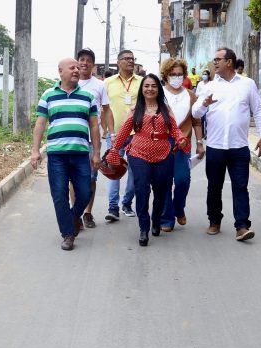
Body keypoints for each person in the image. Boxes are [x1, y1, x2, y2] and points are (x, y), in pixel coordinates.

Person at [192, 47, 261, 241]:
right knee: (214, 186)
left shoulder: (247, 84)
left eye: (218, 59)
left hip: (239, 147)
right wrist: (204, 104)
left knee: (240, 186)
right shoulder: (209, 86)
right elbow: (195, 114)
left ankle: (242, 226)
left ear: (229, 62)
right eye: (214, 59)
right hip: (216, 147)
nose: (214, 62)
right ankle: (214, 221)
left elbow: (258, 110)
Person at [106, 74, 188, 246]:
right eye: (146, 86)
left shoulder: (166, 108)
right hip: (138, 154)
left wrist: (180, 138)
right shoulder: (136, 110)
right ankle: (144, 228)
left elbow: (174, 129)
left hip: (164, 153)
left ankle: (156, 220)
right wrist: (115, 149)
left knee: (161, 190)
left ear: (158, 89)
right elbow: (124, 132)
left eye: (153, 86)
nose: (150, 89)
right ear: (142, 89)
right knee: (142, 190)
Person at [31, 58, 101, 251]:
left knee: (86, 192)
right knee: (60, 195)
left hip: (80, 154)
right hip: (57, 155)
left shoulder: (88, 96)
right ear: (60, 72)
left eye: (78, 68)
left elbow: (94, 126)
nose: (77, 70)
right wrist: (35, 151)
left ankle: (71, 219)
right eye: (72, 68)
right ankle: (68, 234)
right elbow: (40, 124)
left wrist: (97, 153)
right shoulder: (48, 95)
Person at [159, 58, 204, 232]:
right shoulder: (159, 93)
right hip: (162, 144)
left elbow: (197, 122)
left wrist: (199, 143)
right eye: (173, 74)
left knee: (182, 180)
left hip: (183, 144)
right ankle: (167, 218)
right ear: (166, 75)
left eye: (179, 74)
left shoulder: (191, 96)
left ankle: (179, 208)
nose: (176, 77)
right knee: (163, 182)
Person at [72, 48, 113, 229]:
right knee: (73, 179)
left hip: (91, 139)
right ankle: (76, 214)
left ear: (93, 65)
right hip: (72, 138)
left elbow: (106, 109)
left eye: (88, 60)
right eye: (82, 59)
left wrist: (111, 132)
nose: (84, 63)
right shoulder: (69, 82)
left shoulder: (99, 85)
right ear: (77, 61)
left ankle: (87, 212)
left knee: (90, 178)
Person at [104, 50, 142, 221]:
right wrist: (106, 131)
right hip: (114, 135)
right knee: (113, 171)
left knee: (135, 172)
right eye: (126, 59)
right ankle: (113, 208)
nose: (130, 61)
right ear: (118, 62)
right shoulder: (107, 82)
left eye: (132, 59)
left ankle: (127, 203)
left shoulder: (142, 82)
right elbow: (103, 109)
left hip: (137, 134)